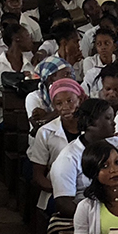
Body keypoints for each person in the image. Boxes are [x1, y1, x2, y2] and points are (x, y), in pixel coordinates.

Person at [50, 98, 118, 218]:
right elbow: (64, 203)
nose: (114, 123)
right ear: (90, 122)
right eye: (108, 118)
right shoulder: (68, 157)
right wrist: (96, 219)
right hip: (89, 213)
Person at [29, 78, 85, 210]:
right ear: (54, 107)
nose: (65, 107)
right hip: (56, 190)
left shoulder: (91, 128)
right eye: (59, 103)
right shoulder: (45, 132)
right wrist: (63, 190)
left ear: (80, 100)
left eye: (70, 101)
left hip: (88, 191)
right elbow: (38, 175)